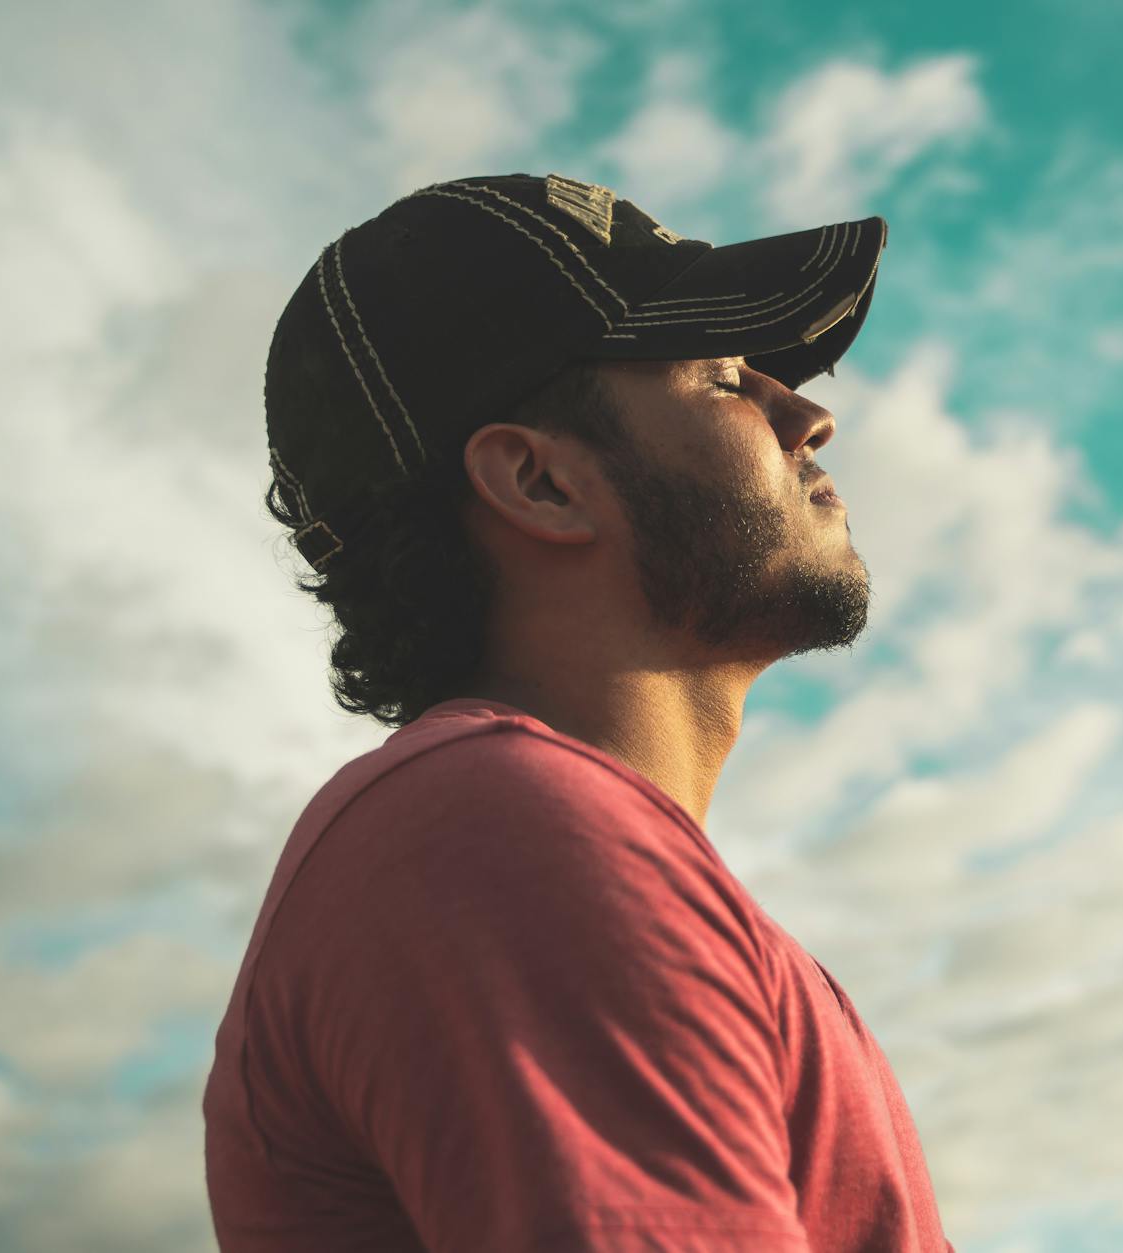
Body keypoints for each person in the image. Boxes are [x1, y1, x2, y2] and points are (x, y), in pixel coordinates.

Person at [203, 173, 956, 1251]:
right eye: (719, 378)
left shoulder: (529, 838)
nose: (807, 413)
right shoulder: (499, 831)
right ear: (540, 483)